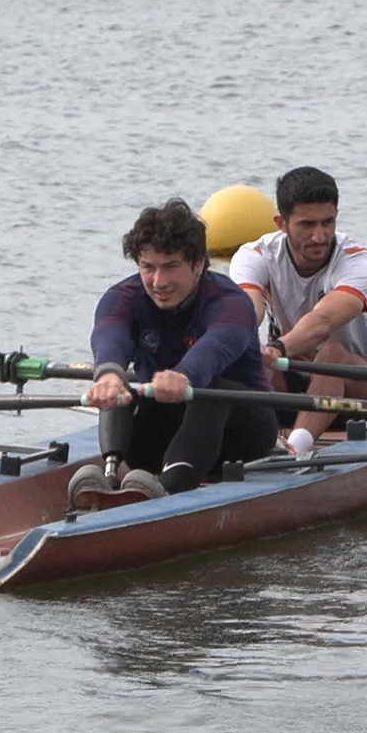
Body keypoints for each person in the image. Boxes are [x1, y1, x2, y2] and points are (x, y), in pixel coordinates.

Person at [67, 199, 279, 510]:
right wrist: (108, 375)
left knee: (210, 392)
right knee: (121, 384)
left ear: (197, 264)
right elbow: (109, 335)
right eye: (147, 267)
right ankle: (110, 474)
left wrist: (184, 376)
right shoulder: (121, 298)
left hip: (242, 437)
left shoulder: (230, 302)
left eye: (170, 267)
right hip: (161, 435)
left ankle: (166, 493)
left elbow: (216, 346)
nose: (158, 282)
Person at [230, 167, 367, 456]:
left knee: (329, 354)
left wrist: (278, 348)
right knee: (248, 359)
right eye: (307, 225)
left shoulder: (359, 262)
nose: (319, 236)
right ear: (281, 222)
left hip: (363, 383)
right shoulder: (254, 255)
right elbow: (247, 312)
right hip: (290, 373)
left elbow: (322, 322)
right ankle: (238, 447)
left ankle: (295, 449)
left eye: (327, 222)